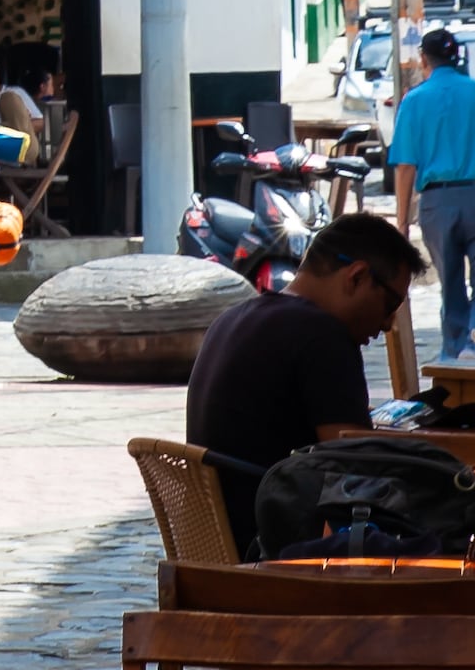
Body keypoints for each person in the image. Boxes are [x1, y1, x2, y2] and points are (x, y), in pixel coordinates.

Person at [180, 211, 423, 552]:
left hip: (225, 540)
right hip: (278, 549)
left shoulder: (233, 318)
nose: (388, 324)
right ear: (356, 277)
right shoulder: (322, 336)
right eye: (390, 303)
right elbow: (360, 464)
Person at [379, 26, 475, 359]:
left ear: (423, 59)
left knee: (451, 284)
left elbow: (404, 166)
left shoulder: (414, 101)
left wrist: (402, 221)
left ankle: (454, 351)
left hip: (438, 202)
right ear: (457, 57)